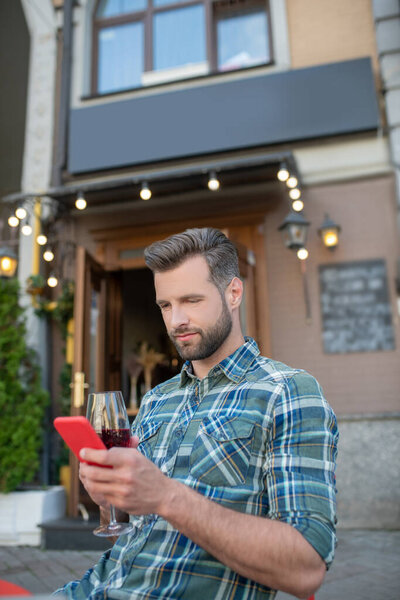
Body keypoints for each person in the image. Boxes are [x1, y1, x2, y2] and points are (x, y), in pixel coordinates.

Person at [56, 227, 338, 600]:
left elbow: (306, 567)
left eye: (191, 300)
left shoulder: (287, 393)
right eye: (166, 305)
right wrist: (111, 500)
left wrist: (167, 497)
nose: (175, 321)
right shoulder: (157, 399)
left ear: (234, 293)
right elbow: (130, 529)